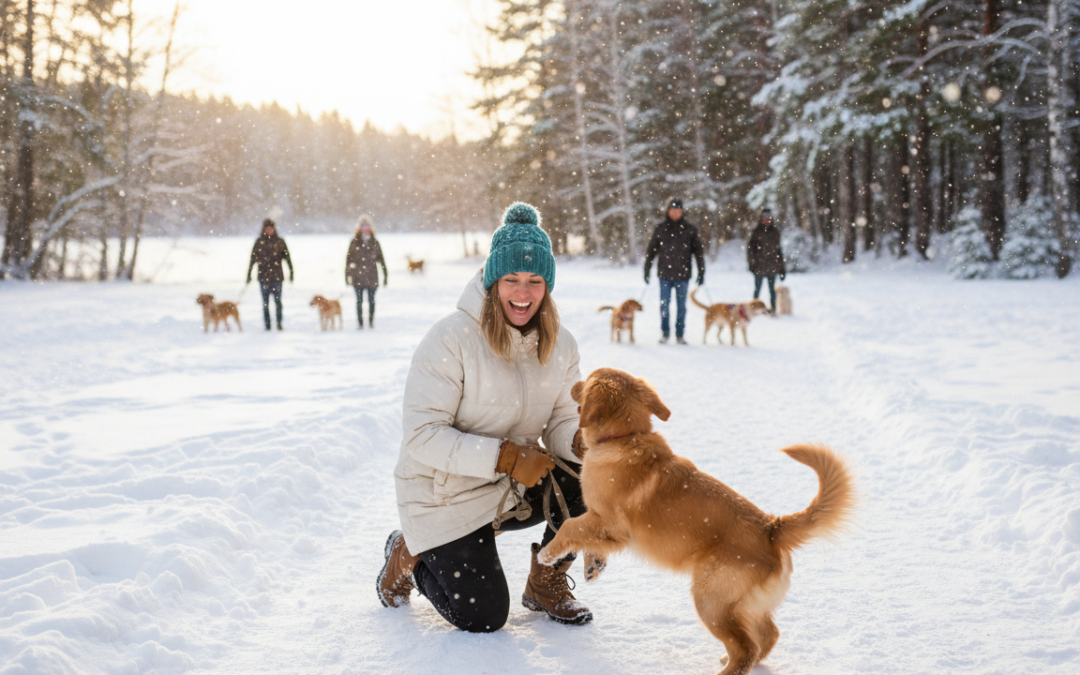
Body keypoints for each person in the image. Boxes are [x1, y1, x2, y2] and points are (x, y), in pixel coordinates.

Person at [377, 202, 592, 632]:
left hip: (510, 487)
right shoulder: (450, 339)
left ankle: (546, 581)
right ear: (493, 281)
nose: (523, 292)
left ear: (547, 286)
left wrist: (582, 442)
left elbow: (561, 420)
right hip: (444, 494)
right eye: (511, 279)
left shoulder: (561, 344)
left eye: (535, 281)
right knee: (483, 616)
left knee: (592, 478)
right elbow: (422, 435)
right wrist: (506, 457)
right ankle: (409, 553)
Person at [643, 198, 706, 344]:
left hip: (683, 275)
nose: (675, 213)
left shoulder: (690, 229)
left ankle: (680, 334)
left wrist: (701, 271)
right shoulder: (660, 229)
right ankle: (665, 333)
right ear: (668, 211)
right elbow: (651, 251)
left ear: (682, 211)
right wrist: (647, 269)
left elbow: (698, 253)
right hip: (664, 274)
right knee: (664, 305)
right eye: (673, 210)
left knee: (681, 306)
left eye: (678, 210)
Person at [246, 219, 294, 331]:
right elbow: (252, 260)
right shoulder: (259, 242)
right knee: (265, 303)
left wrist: (291, 272)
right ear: (263, 230)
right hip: (263, 277)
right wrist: (249, 274)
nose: (269, 231)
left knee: (278, 302)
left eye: (271, 228)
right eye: (267, 229)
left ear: (274, 229)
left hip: (277, 277)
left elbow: (287, 258)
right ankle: (267, 325)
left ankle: (279, 323)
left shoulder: (280, 242)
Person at [345, 215, 388, 329]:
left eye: (367, 226)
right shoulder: (354, 242)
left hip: (372, 277)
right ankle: (360, 323)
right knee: (359, 301)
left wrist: (385, 276)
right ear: (359, 228)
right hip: (357, 277)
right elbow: (348, 260)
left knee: (371, 301)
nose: (365, 229)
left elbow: (381, 260)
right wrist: (347, 275)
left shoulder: (375, 242)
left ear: (370, 228)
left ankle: (371, 322)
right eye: (362, 226)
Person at [747, 208, 786, 314]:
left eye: (768, 217)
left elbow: (778, 250)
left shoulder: (775, 232)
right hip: (759, 266)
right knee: (757, 289)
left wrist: (782, 268)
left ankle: (773, 309)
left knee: (772, 290)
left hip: (772, 266)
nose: (767, 219)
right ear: (761, 218)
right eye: (764, 217)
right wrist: (751, 263)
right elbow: (750, 249)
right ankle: (753, 309)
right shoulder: (756, 232)